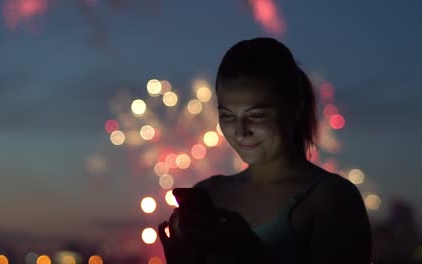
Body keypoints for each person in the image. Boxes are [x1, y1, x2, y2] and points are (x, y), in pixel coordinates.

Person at [157, 37, 373, 264]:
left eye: (256, 115)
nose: (241, 131)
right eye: (227, 116)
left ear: (295, 106)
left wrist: (251, 252)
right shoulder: (207, 194)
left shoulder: (331, 198)